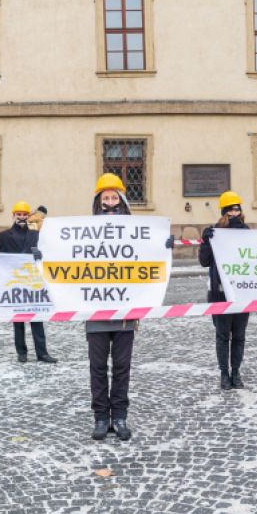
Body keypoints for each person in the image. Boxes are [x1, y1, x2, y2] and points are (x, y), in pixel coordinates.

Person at [66, 173, 173, 441]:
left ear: (122, 200)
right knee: (98, 367)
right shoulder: (86, 230)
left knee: (122, 367)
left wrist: (164, 247)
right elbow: (69, 255)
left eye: (114, 197)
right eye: (106, 198)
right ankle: (101, 418)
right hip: (96, 311)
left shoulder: (135, 230)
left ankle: (121, 416)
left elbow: (147, 256)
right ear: (98, 201)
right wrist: (44, 255)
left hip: (126, 312)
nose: (110, 202)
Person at [0, 201, 56, 363]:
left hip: (33, 282)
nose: (22, 217)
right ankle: (21, 352)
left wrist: (40, 255)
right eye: (19, 214)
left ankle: (42, 353)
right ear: (13, 216)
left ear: (28, 215)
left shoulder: (35, 234)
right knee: (18, 320)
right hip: (15, 282)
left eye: (24, 214)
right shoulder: (4, 236)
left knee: (37, 317)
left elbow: (44, 253)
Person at [199, 191, 251, 390]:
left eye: (237, 209)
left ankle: (236, 371)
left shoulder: (247, 232)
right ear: (223, 213)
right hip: (220, 292)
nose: (234, 213)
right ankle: (224, 373)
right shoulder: (214, 233)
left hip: (242, 292)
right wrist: (206, 242)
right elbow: (204, 261)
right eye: (230, 210)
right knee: (222, 335)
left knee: (239, 335)